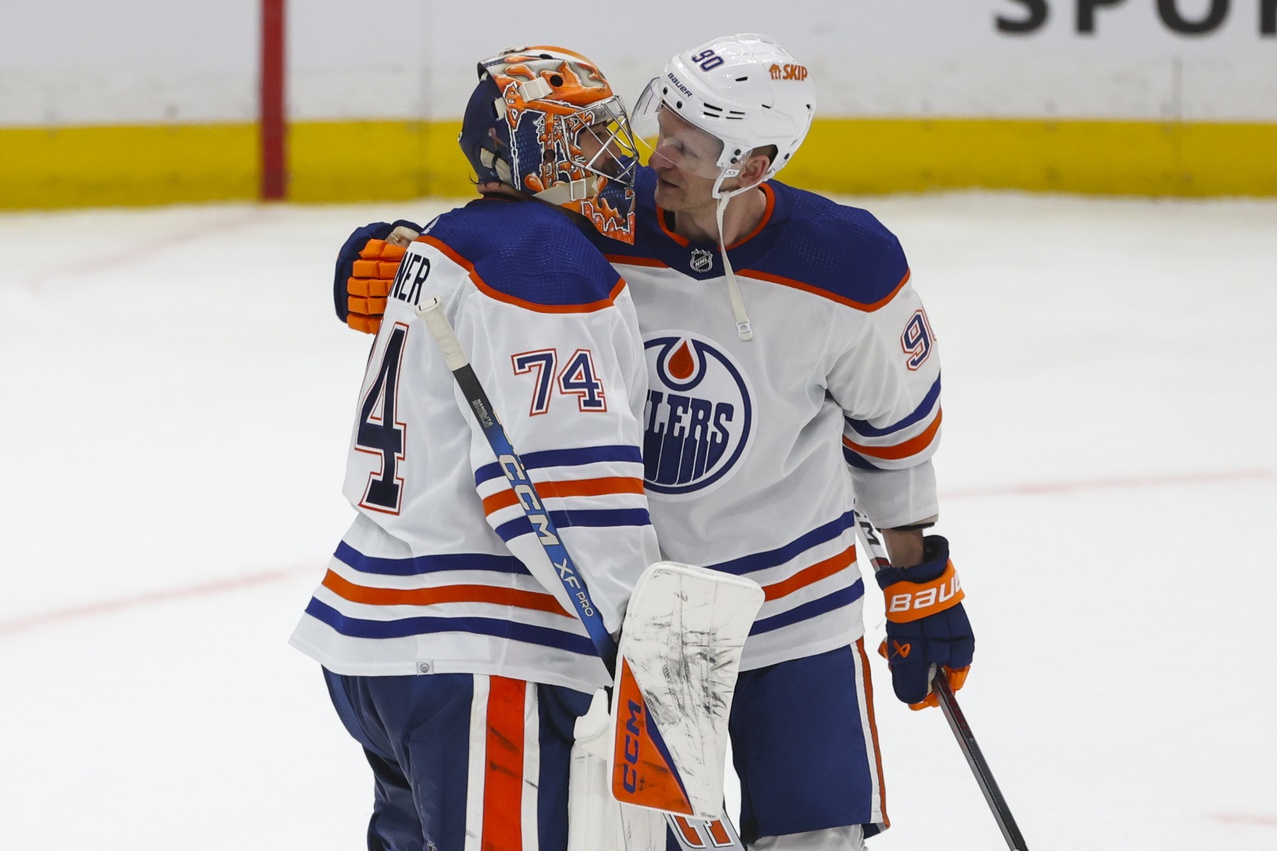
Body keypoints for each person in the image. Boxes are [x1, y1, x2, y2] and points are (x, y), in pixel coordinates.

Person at [332, 34, 975, 851]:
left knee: (817, 834)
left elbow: (894, 433)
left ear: (751, 163)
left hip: (795, 608)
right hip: (633, 621)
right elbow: (491, 252)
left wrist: (917, 574)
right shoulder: (597, 216)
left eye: (684, 148)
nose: (651, 156)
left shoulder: (850, 265)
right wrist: (396, 251)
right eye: (659, 128)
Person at [290, 45, 662, 851]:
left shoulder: (447, 242)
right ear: (529, 152)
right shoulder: (545, 264)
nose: (612, 154)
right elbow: (560, 486)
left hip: (376, 637)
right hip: (481, 650)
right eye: (584, 136)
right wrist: (643, 643)